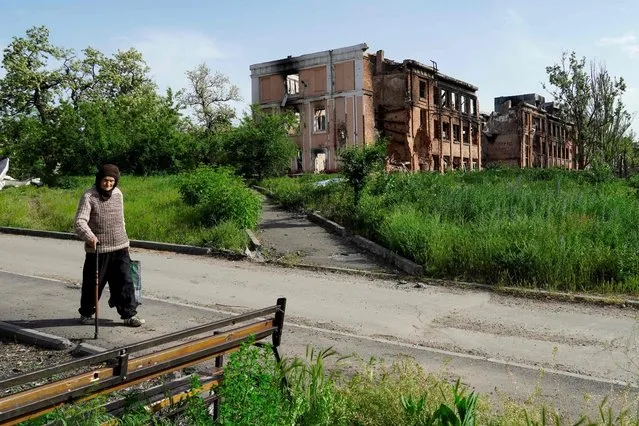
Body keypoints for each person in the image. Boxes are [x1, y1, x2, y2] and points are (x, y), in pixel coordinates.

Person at [74, 164, 144, 327]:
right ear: (99, 179)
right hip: (98, 250)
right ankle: (86, 313)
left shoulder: (118, 194)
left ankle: (129, 315)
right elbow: (79, 222)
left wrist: (126, 240)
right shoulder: (89, 196)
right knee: (93, 285)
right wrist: (89, 236)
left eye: (112, 181)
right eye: (105, 180)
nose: (108, 184)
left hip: (120, 248)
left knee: (125, 282)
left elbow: (121, 219)